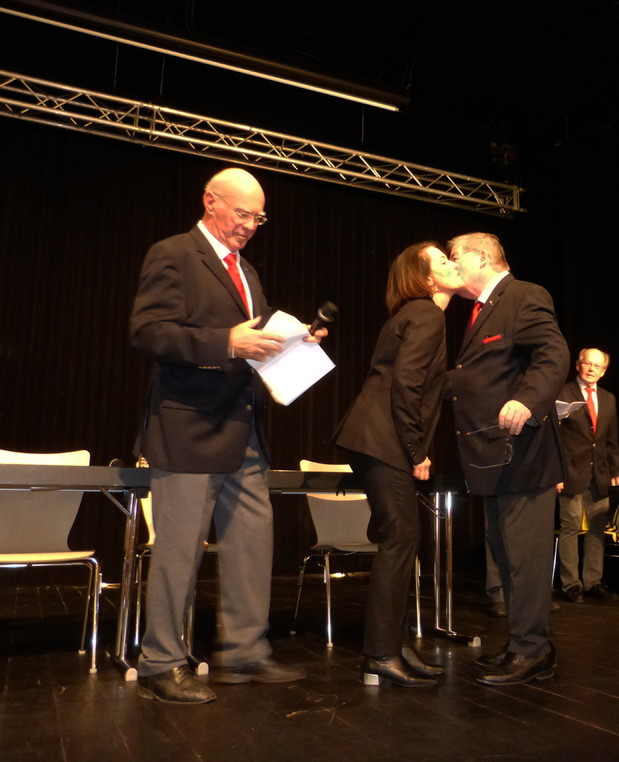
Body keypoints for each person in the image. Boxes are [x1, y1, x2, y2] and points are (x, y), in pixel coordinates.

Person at [131, 167, 321, 704]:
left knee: (252, 543)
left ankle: (244, 652)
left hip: (243, 429)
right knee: (179, 550)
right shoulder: (173, 253)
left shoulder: (248, 272)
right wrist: (227, 343)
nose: (250, 226)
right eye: (242, 214)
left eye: (259, 218)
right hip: (188, 426)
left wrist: (292, 341)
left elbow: (254, 337)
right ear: (210, 201)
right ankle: (160, 662)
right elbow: (148, 331)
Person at [332, 242, 463, 687]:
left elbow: (426, 382)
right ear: (425, 279)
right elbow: (406, 385)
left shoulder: (416, 315)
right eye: (442, 261)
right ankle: (381, 653)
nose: (452, 263)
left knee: (404, 537)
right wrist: (416, 451)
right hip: (382, 439)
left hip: (376, 438)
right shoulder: (427, 314)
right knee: (401, 537)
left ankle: (396, 645)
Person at [447, 232, 568, 686]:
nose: (451, 265)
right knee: (506, 556)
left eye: (455, 256)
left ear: (481, 257)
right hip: (492, 456)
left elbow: (553, 354)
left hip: (524, 455)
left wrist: (527, 400)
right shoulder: (479, 311)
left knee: (525, 559)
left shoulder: (523, 295)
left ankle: (532, 649)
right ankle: (523, 642)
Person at [556, 348, 619, 604]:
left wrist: (616, 471)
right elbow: (554, 440)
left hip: (600, 473)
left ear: (604, 371)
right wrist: (556, 473)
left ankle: (593, 581)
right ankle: (571, 584)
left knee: (597, 528)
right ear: (578, 365)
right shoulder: (562, 393)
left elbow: (611, 439)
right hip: (571, 472)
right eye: (588, 364)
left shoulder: (608, 398)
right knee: (571, 527)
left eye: (598, 366)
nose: (592, 369)